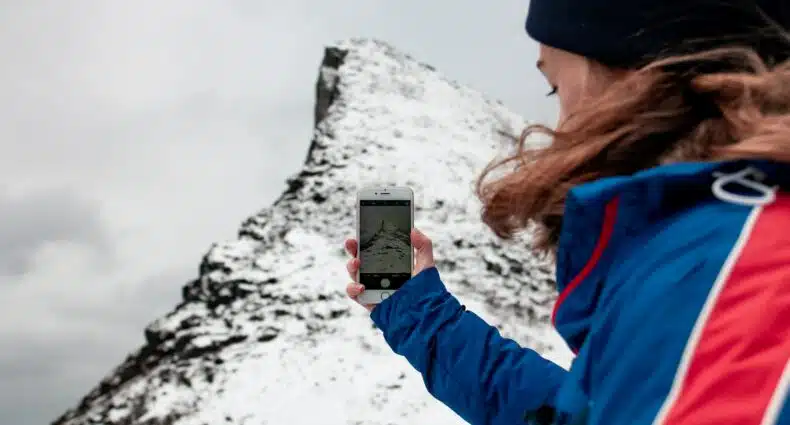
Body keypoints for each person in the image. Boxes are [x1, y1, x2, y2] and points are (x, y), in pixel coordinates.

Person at [344, 0, 790, 423]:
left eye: (555, 87)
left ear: (639, 68)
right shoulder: (704, 250)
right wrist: (417, 310)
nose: (559, 127)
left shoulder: (728, 278)